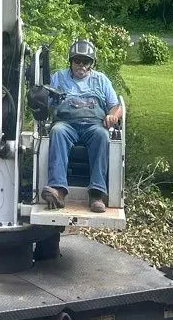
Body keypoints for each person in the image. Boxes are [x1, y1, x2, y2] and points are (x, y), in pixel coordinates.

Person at [42, 38, 122, 214]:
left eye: (86, 61)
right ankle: (59, 191)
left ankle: (96, 194)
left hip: (94, 125)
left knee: (102, 135)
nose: (81, 65)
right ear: (70, 62)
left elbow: (116, 106)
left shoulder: (101, 80)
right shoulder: (58, 77)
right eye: (77, 60)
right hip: (66, 123)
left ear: (91, 64)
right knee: (57, 131)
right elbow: (45, 101)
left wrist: (112, 116)